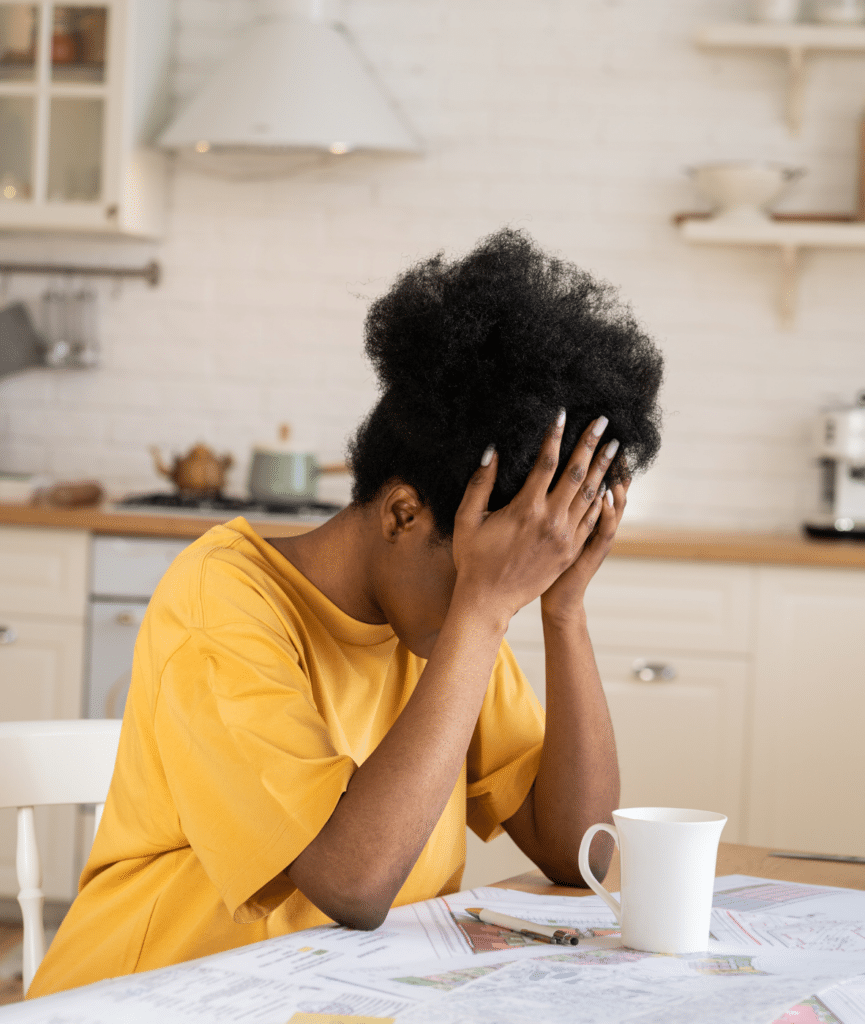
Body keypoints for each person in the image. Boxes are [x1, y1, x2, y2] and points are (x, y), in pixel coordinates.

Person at [28, 229, 663, 998]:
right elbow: (351, 884)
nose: (503, 598)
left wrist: (564, 611)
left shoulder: (452, 619)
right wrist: (485, 608)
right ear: (401, 514)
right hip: (154, 998)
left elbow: (580, 855)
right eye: (488, 577)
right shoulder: (224, 601)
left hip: (334, 997)